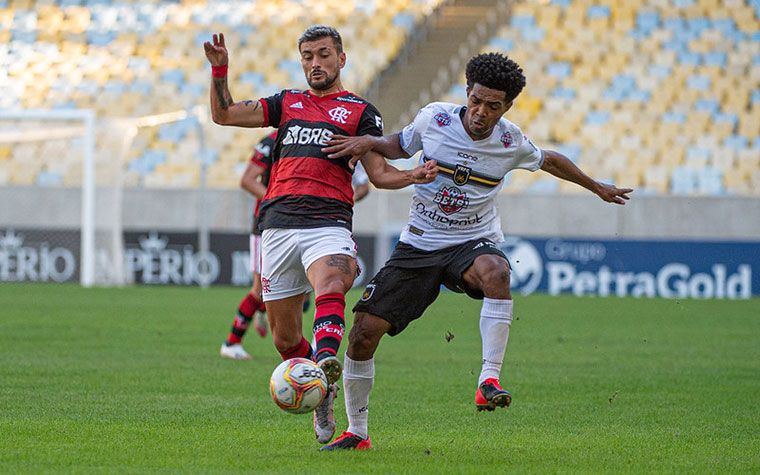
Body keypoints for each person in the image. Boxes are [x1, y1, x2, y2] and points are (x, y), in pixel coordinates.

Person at [318, 52, 634, 450]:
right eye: (477, 100)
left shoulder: (510, 141)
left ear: (508, 106)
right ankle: (357, 433)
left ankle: (488, 379)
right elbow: (397, 146)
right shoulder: (435, 118)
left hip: (471, 242)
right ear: (467, 92)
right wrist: (369, 141)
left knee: (496, 271)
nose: (481, 112)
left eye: (493, 106)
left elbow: (550, 160)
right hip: (419, 244)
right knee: (363, 334)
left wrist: (597, 187)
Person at [203, 25, 437, 444]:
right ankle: (323, 389)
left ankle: (327, 359)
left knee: (332, 281)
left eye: (324, 54)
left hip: (327, 223)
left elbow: (380, 175)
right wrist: (220, 72)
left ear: (341, 59)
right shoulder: (287, 103)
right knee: (284, 338)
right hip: (276, 226)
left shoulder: (360, 112)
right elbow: (224, 115)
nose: (315, 63)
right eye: (308, 55)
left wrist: (414, 174)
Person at [221, 130, 372, 360]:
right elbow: (247, 180)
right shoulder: (270, 141)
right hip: (270, 226)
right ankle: (232, 343)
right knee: (260, 290)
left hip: (312, 224)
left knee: (307, 290)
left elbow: (364, 185)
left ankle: (314, 350)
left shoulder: (320, 137)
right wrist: (280, 202)